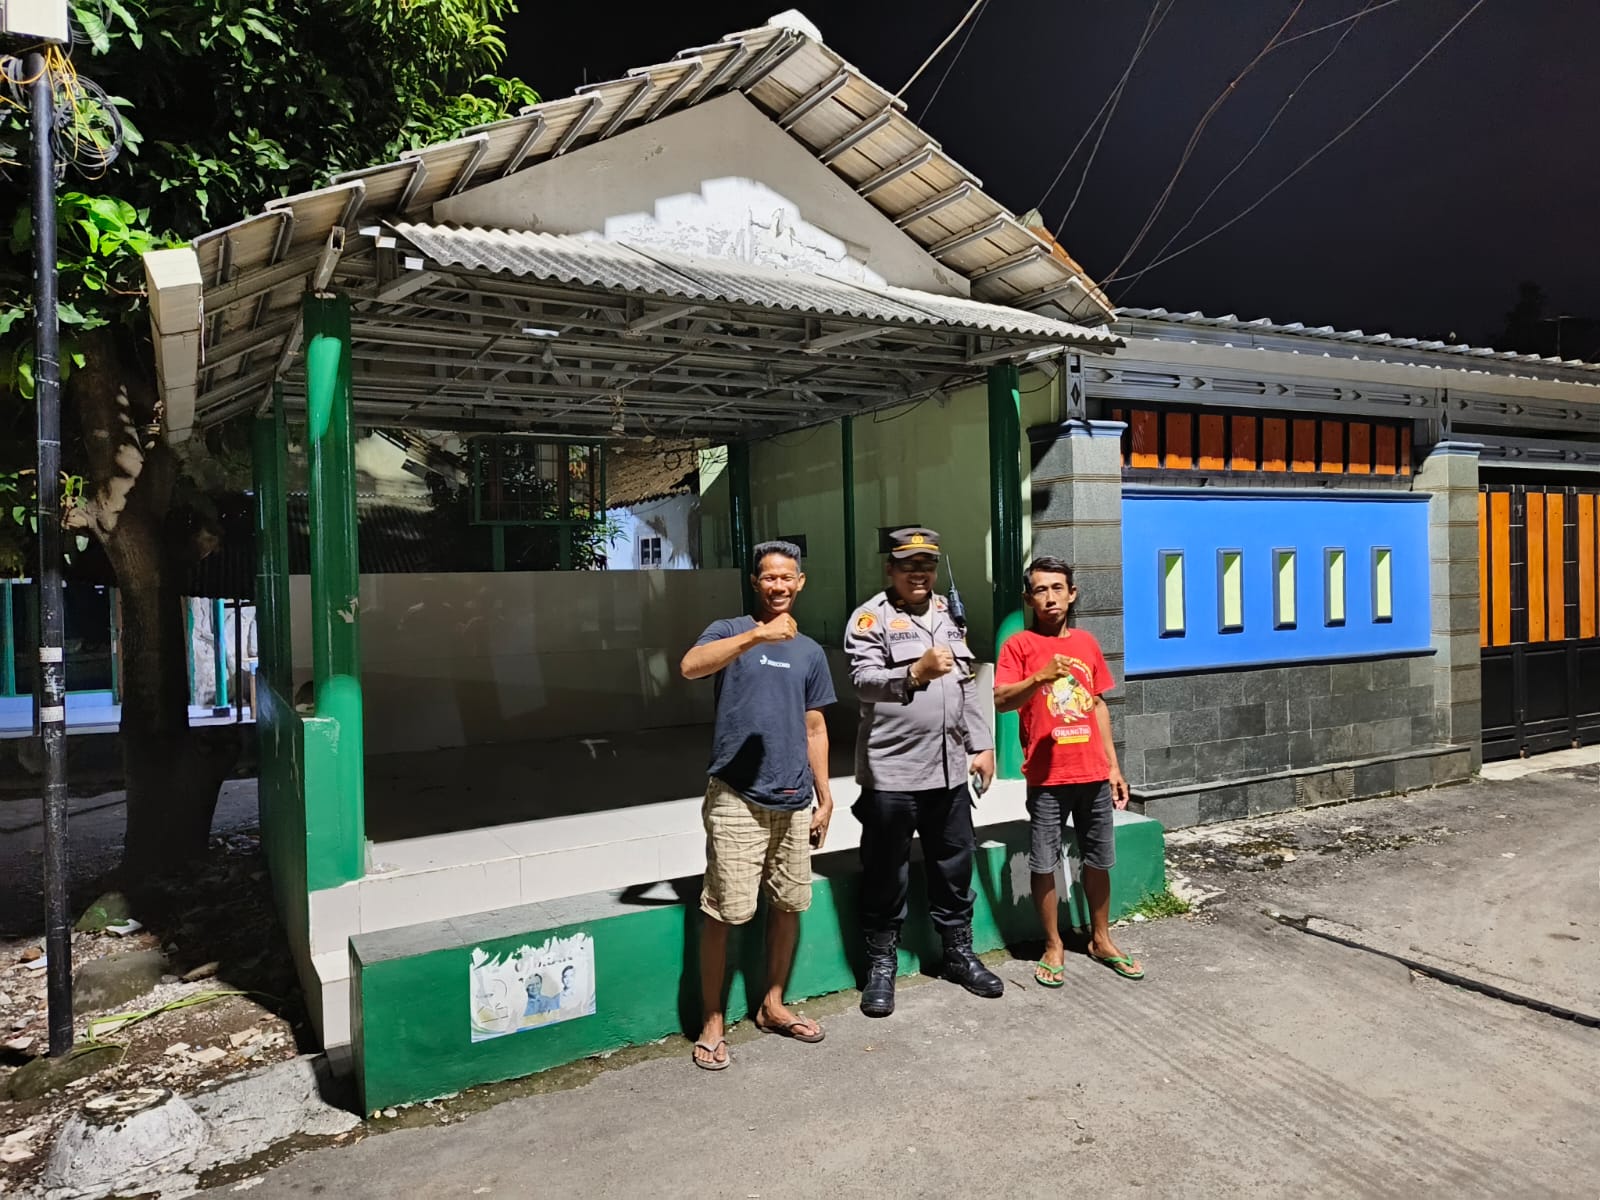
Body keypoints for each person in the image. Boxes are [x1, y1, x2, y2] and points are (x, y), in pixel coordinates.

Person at [680, 540, 836, 1070]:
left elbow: (815, 727)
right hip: (736, 797)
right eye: (769, 577)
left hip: (793, 797)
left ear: (800, 582)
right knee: (726, 911)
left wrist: (825, 794)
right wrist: (756, 636)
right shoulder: (728, 630)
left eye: (787, 577)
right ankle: (713, 1021)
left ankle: (772, 1005)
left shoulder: (810, 652)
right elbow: (690, 666)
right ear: (755, 582)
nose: (778, 585)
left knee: (789, 904)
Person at [844, 527, 1001, 1018]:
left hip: (949, 770)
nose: (919, 573)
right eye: (908, 564)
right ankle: (881, 965)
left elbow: (966, 684)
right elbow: (863, 682)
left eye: (927, 565)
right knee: (885, 872)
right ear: (890, 568)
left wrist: (982, 744)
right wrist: (914, 674)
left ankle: (958, 954)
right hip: (893, 772)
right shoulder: (871, 617)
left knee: (954, 865)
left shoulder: (948, 613)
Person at [994, 556, 1143, 988]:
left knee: (1098, 859)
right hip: (1047, 776)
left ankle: (1101, 939)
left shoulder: (1087, 643)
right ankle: (1053, 944)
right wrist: (1039, 678)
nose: (1050, 597)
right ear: (1029, 599)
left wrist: (1113, 766)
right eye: (1040, 590)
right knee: (1045, 862)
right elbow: (1002, 700)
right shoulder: (1019, 646)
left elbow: (1097, 705)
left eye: (1057, 588)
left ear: (1072, 594)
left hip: (1092, 772)